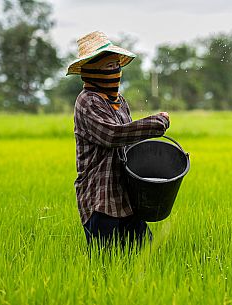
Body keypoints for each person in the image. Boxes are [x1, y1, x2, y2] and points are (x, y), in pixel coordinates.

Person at [66, 31, 170, 251]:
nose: (115, 72)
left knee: (146, 258)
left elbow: (129, 143)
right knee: (105, 266)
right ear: (91, 70)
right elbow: (112, 135)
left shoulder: (119, 102)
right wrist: (154, 124)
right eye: (108, 67)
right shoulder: (87, 101)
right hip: (101, 200)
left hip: (128, 198)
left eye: (117, 65)